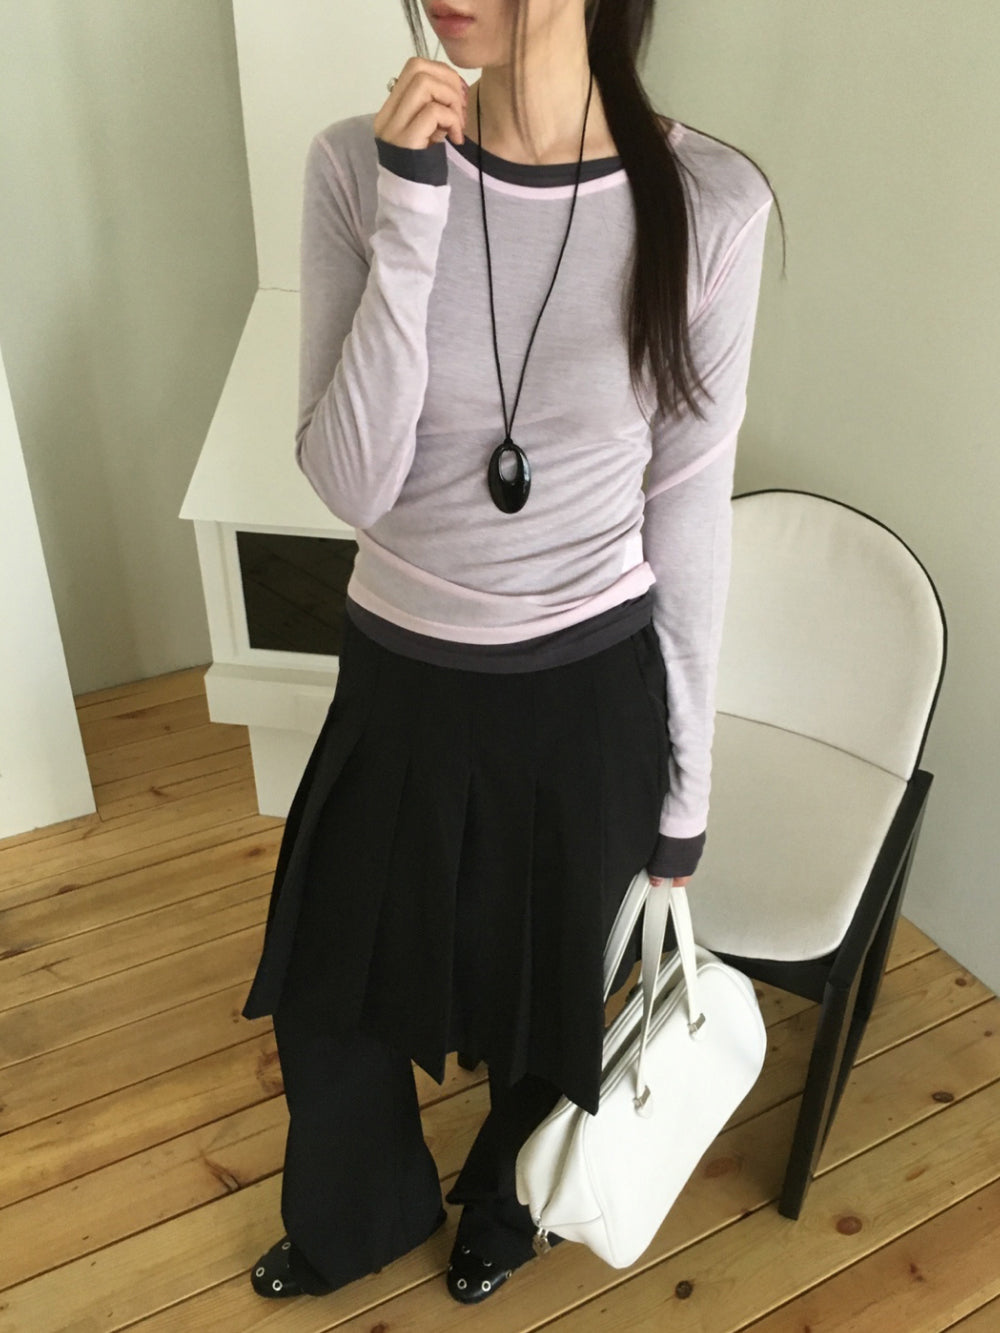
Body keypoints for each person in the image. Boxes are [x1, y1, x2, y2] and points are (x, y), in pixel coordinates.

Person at [242, 0, 782, 1307]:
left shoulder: (710, 202)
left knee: (545, 989)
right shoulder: (355, 164)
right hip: (398, 673)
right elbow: (351, 482)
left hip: (587, 686)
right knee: (331, 986)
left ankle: (510, 1200)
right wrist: (412, 209)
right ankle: (357, 1213)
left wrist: (687, 788)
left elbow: (689, 518)